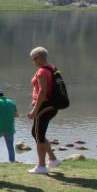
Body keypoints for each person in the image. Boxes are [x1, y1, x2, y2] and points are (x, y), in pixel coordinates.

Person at [27, 46, 59, 175]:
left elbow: (43, 91)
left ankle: (41, 166)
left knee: (38, 135)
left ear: (39, 58)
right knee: (37, 133)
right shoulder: (52, 68)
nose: (33, 62)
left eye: (33, 59)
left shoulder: (41, 72)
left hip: (44, 106)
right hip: (50, 106)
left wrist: (35, 109)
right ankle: (52, 159)